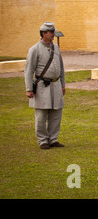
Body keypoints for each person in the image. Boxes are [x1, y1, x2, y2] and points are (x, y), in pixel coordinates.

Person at [24, 22, 66, 150]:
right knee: (41, 115)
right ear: (44, 33)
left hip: (56, 85)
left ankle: (53, 139)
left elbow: (61, 68)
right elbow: (29, 70)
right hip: (42, 85)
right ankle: (43, 140)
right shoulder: (34, 49)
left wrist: (63, 84)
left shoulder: (56, 48)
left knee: (56, 113)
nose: (53, 34)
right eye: (51, 32)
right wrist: (29, 89)